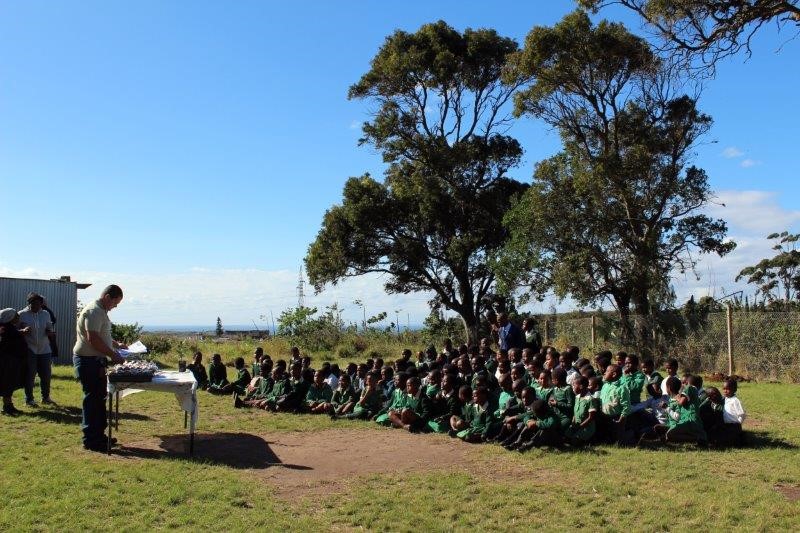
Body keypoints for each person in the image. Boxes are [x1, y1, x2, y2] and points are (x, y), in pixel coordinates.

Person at [73, 284, 126, 452]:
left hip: (96, 361)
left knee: (99, 398)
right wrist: (113, 354)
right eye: (115, 302)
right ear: (108, 297)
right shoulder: (95, 311)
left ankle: (99, 436)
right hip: (89, 362)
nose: (115, 306)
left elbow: (102, 334)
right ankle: (91, 440)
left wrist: (116, 344)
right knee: (92, 400)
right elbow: (93, 338)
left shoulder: (101, 310)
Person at [18, 292, 56, 406]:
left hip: (45, 349)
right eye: (35, 304)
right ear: (29, 304)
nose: (37, 306)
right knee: (30, 375)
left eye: (40, 304)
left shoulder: (45, 314)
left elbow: (49, 327)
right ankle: (29, 399)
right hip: (30, 349)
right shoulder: (21, 314)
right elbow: (14, 331)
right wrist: (23, 331)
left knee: (46, 375)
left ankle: (46, 397)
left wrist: (50, 332)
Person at [1, 308, 30, 415]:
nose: (18, 317)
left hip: (13, 360)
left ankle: (8, 405)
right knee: (7, 383)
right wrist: (22, 332)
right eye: (16, 315)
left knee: (9, 384)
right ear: (10, 317)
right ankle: (7, 407)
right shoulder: (5, 328)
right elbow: (10, 339)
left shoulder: (9, 327)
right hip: (8, 361)